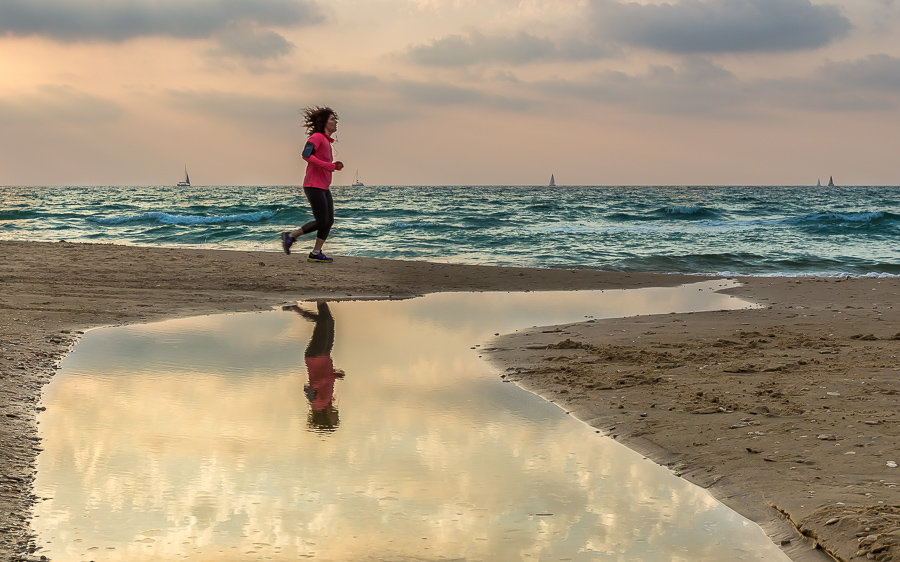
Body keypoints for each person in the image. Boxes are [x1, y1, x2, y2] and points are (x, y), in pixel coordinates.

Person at [282, 106, 344, 263]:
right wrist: (328, 166)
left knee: (329, 221)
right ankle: (290, 237)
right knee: (322, 220)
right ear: (324, 122)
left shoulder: (326, 142)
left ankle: (316, 252)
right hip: (313, 185)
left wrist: (334, 165)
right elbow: (306, 155)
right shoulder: (316, 137)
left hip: (323, 187)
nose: (335, 121)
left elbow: (322, 162)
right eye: (332, 119)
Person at [284, 301, 345, 431]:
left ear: (328, 419)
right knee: (326, 321)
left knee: (325, 322)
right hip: (322, 356)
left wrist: (333, 376)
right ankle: (306, 304)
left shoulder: (319, 403)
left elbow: (312, 386)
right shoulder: (324, 404)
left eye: (335, 420)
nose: (337, 417)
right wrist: (332, 375)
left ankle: (316, 300)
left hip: (316, 357)